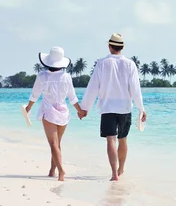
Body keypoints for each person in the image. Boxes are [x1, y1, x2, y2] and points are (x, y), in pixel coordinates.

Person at [78, 33, 147, 181]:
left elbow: (93, 87)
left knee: (111, 140)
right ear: (122, 47)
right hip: (125, 108)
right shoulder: (130, 64)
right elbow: (135, 89)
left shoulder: (102, 63)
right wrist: (141, 109)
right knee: (123, 139)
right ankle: (121, 168)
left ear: (109, 47)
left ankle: (114, 174)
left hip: (107, 108)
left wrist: (85, 109)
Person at [24, 46, 83, 181]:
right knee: (57, 144)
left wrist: (28, 108)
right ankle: (52, 171)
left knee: (53, 144)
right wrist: (80, 111)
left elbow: (35, 94)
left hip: (49, 111)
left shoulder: (42, 76)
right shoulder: (66, 77)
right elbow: (73, 98)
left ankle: (61, 171)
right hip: (63, 113)